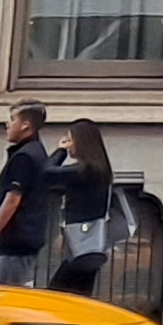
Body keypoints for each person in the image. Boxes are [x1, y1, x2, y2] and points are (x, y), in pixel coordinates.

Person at [0, 102, 59, 289]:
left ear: (25, 125)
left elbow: (12, 201)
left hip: (15, 244)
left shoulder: (25, 157)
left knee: (3, 295)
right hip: (19, 242)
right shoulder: (35, 152)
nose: (7, 125)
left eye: (12, 119)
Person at [48, 116, 125, 297]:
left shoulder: (83, 170)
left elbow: (45, 174)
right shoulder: (101, 170)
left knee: (57, 295)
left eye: (70, 140)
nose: (68, 144)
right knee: (79, 295)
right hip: (93, 247)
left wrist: (60, 151)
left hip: (80, 247)